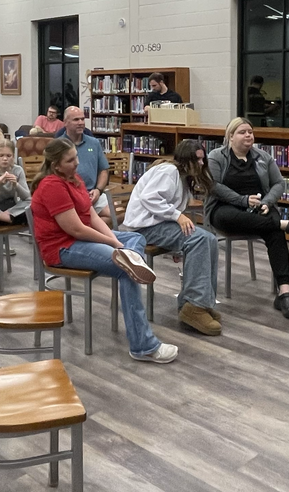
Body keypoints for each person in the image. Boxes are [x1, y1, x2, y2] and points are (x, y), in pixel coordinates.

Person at [30, 138, 178, 364]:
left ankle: (130, 260)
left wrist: (112, 239)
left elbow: (90, 215)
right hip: (62, 248)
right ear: (55, 165)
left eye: (76, 157)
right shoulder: (52, 186)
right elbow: (76, 229)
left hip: (82, 238)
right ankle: (143, 345)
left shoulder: (73, 178)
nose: (77, 163)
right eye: (71, 160)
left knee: (135, 237)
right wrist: (115, 245)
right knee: (124, 268)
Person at [205, 118, 289, 320]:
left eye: (250, 131)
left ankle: (284, 292)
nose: (248, 135)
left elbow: (278, 183)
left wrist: (267, 201)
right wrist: (243, 200)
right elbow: (213, 186)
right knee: (248, 220)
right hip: (226, 208)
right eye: (242, 132)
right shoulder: (216, 156)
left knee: (273, 231)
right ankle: (284, 225)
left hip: (260, 207)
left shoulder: (263, 157)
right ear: (230, 136)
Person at [122, 139, 221, 336]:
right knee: (199, 239)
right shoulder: (169, 171)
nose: (202, 164)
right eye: (198, 160)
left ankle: (198, 302)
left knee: (209, 239)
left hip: (159, 225)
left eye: (203, 160)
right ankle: (194, 305)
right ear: (187, 159)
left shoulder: (182, 176)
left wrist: (177, 241)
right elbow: (149, 198)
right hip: (144, 228)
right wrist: (178, 216)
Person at [61, 106, 112, 222]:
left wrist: (98, 190)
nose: (81, 123)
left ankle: (87, 229)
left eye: (82, 119)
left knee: (115, 214)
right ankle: (86, 229)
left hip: (93, 193)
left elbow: (103, 170)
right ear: (65, 123)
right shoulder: (58, 145)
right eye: (76, 120)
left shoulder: (94, 143)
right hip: (70, 196)